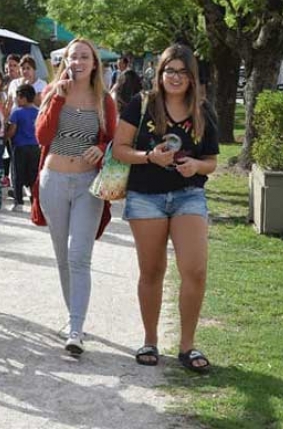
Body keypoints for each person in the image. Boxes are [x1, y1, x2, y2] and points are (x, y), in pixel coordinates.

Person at [112, 44, 219, 373]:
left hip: (188, 195)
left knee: (195, 270)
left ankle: (187, 346)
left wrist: (195, 166)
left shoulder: (202, 110)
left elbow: (212, 162)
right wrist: (149, 157)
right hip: (146, 197)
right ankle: (150, 339)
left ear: (191, 76)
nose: (175, 77)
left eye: (182, 71)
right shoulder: (141, 104)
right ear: (159, 73)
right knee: (153, 271)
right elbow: (119, 150)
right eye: (169, 70)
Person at [31, 38, 117, 357]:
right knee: (62, 256)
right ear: (64, 62)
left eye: (84, 57)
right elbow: (42, 136)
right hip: (53, 180)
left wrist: (102, 148)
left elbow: (113, 140)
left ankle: (76, 328)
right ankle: (73, 320)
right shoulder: (53, 93)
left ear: (94, 63)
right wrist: (58, 98)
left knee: (78, 254)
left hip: (87, 183)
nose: (78, 62)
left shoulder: (104, 100)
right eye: (72, 57)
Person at [7, 84, 41, 212]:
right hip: (35, 147)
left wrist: (5, 137)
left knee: (17, 174)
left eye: (18, 97)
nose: (16, 99)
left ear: (24, 98)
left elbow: (12, 131)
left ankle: (19, 202)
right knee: (33, 175)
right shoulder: (38, 112)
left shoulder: (17, 113)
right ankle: (34, 202)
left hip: (20, 147)